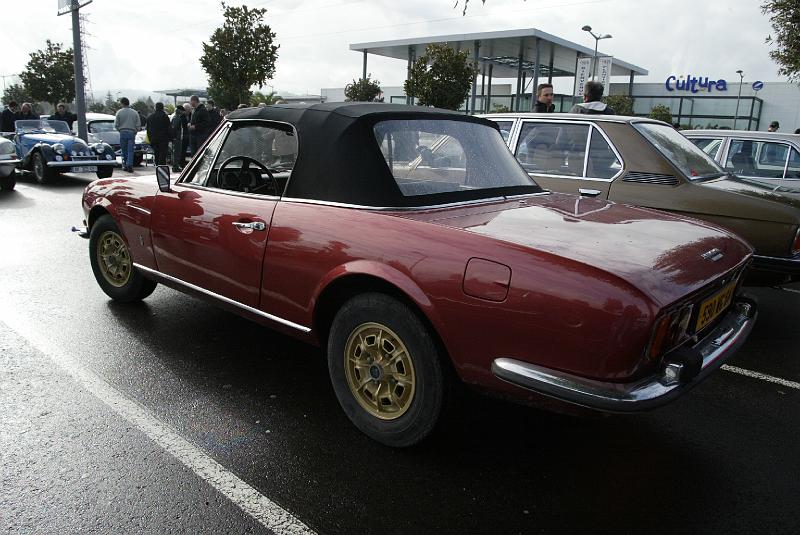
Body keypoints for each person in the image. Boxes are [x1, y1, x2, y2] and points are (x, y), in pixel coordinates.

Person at [114, 97, 141, 172]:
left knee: (124, 150)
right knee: (130, 150)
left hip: (122, 132)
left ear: (122, 103)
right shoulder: (134, 112)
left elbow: (116, 124)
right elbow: (138, 124)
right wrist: (136, 131)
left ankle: (125, 164)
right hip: (132, 132)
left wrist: (119, 130)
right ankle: (130, 165)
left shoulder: (119, 112)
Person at [146, 102, 171, 166]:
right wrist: (171, 138)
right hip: (163, 140)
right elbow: (169, 128)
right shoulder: (165, 116)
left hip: (154, 140)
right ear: (162, 108)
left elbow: (148, 130)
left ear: (155, 108)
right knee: (162, 156)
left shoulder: (150, 117)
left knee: (156, 155)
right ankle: (161, 169)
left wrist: (150, 139)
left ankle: (157, 168)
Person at [170, 106, 185, 172]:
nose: (183, 112)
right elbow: (174, 128)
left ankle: (175, 166)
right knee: (177, 153)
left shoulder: (175, 117)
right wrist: (175, 137)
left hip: (176, 137)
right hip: (177, 138)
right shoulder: (177, 118)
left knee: (176, 152)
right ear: (179, 111)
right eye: (182, 111)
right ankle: (175, 166)